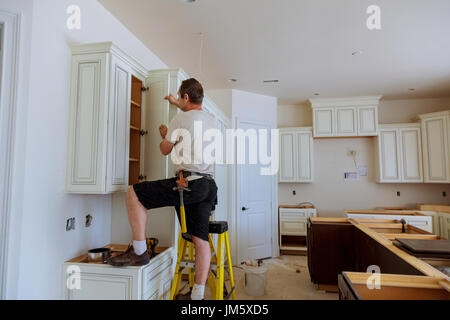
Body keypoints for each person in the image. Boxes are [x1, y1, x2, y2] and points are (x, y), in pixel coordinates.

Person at [107, 78, 218, 301]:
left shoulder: (180, 120)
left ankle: (139, 251)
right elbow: (192, 117)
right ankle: (197, 297)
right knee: (200, 241)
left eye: (180, 97)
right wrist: (177, 104)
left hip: (188, 183)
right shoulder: (210, 119)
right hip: (208, 185)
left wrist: (165, 135)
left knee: (134, 193)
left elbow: (164, 149)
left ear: (186, 97)